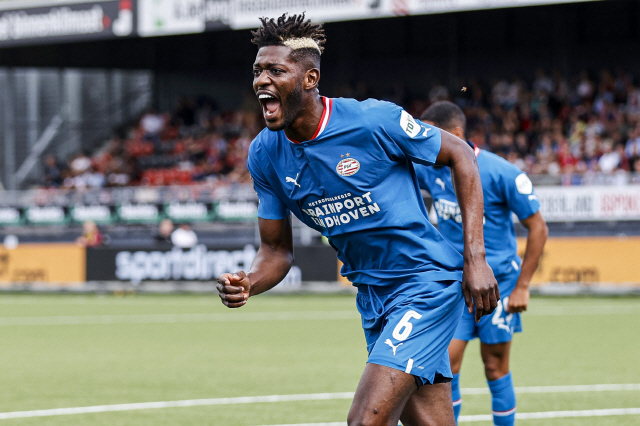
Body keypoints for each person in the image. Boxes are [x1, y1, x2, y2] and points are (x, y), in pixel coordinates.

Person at [216, 14, 499, 426]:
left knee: (365, 420)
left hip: (424, 285)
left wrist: (475, 257)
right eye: (258, 71)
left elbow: (459, 154)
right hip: (373, 298)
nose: (262, 80)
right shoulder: (264, 153)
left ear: (310, 79)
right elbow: (275, 251)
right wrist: (248, 282)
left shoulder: (372, 120)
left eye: (276, 70)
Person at [415, 101, 548, 426]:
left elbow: (538, 228)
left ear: (456, 134)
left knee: (495, 366)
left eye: (431, 135)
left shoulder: (502, 172)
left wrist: (523, 286)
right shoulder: (430, 168)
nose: (424, 143)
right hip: (455, 286)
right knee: (446, 365)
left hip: (498, 285)